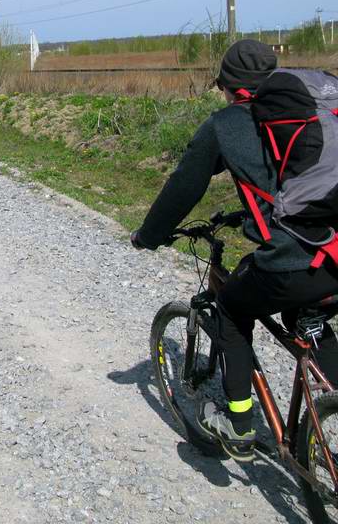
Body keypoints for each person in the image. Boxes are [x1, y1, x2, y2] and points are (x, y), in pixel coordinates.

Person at [130, 39, 338, 462]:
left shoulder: (227, 124)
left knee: (231, 308)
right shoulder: (307, 111)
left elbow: (184, 186)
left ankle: (239, 424)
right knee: (308, 309)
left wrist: (148, 235)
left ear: (230, 87)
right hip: (334, 249)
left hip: (301, 256)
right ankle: (331, 400)